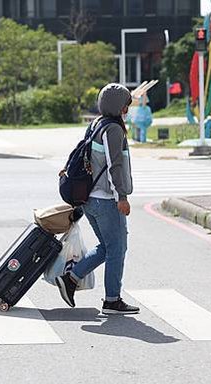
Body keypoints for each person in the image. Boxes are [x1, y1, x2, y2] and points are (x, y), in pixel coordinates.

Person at [55, 83, 140, 315]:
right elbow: (115, 164)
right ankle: (112, 300)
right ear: (117, 105)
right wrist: (121, 196)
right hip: (106, 199)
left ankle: (71, 279)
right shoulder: (113, 129)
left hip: (89, 199)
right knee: (117, 249)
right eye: (126, 105)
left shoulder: (96, 123)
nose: (127, 110)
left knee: (108, 247)